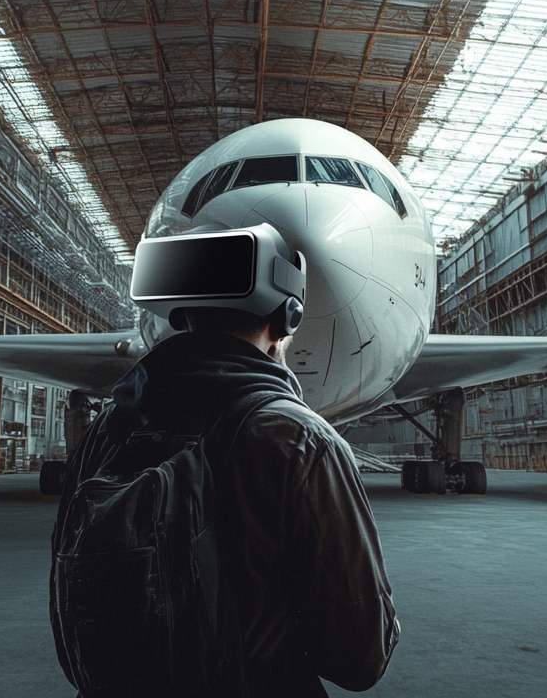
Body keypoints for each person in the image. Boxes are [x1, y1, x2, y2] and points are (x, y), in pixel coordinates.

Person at [51, 224, 400, 696]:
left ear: (182, 317)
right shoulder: (299, 440)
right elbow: (360, 658)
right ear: (287, 318)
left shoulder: (108, 429)